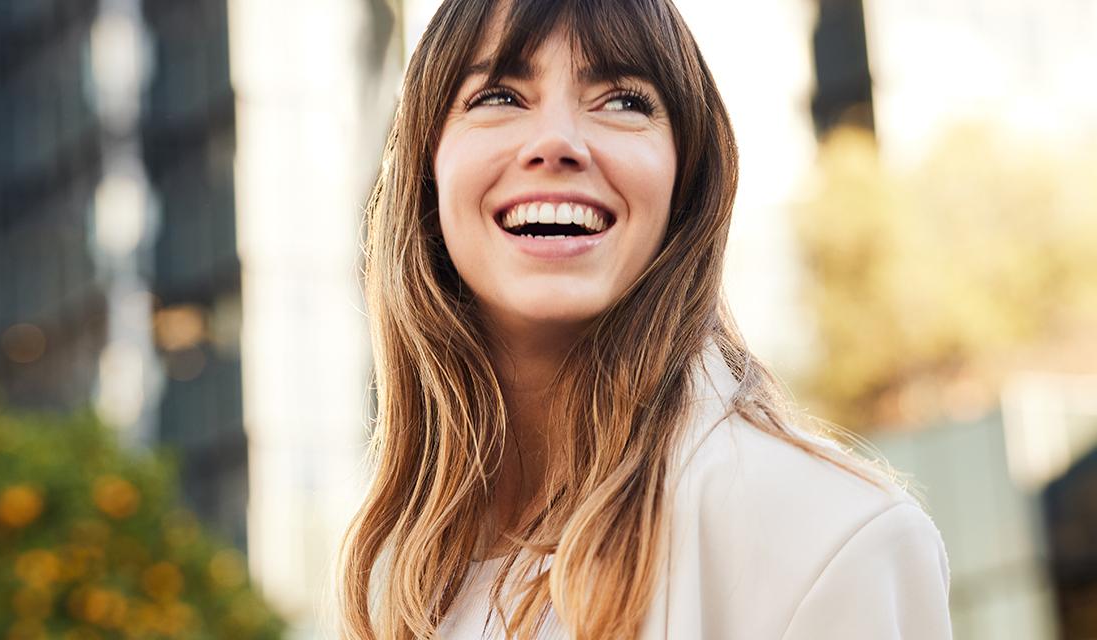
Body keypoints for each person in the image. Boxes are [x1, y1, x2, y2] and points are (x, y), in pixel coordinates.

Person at [336, 0, 953, 637]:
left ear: (687, 178)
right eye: (499, 96)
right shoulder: (397, 576)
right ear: (427, 170)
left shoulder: (834, 543)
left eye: (623, 101)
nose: (557, 143)